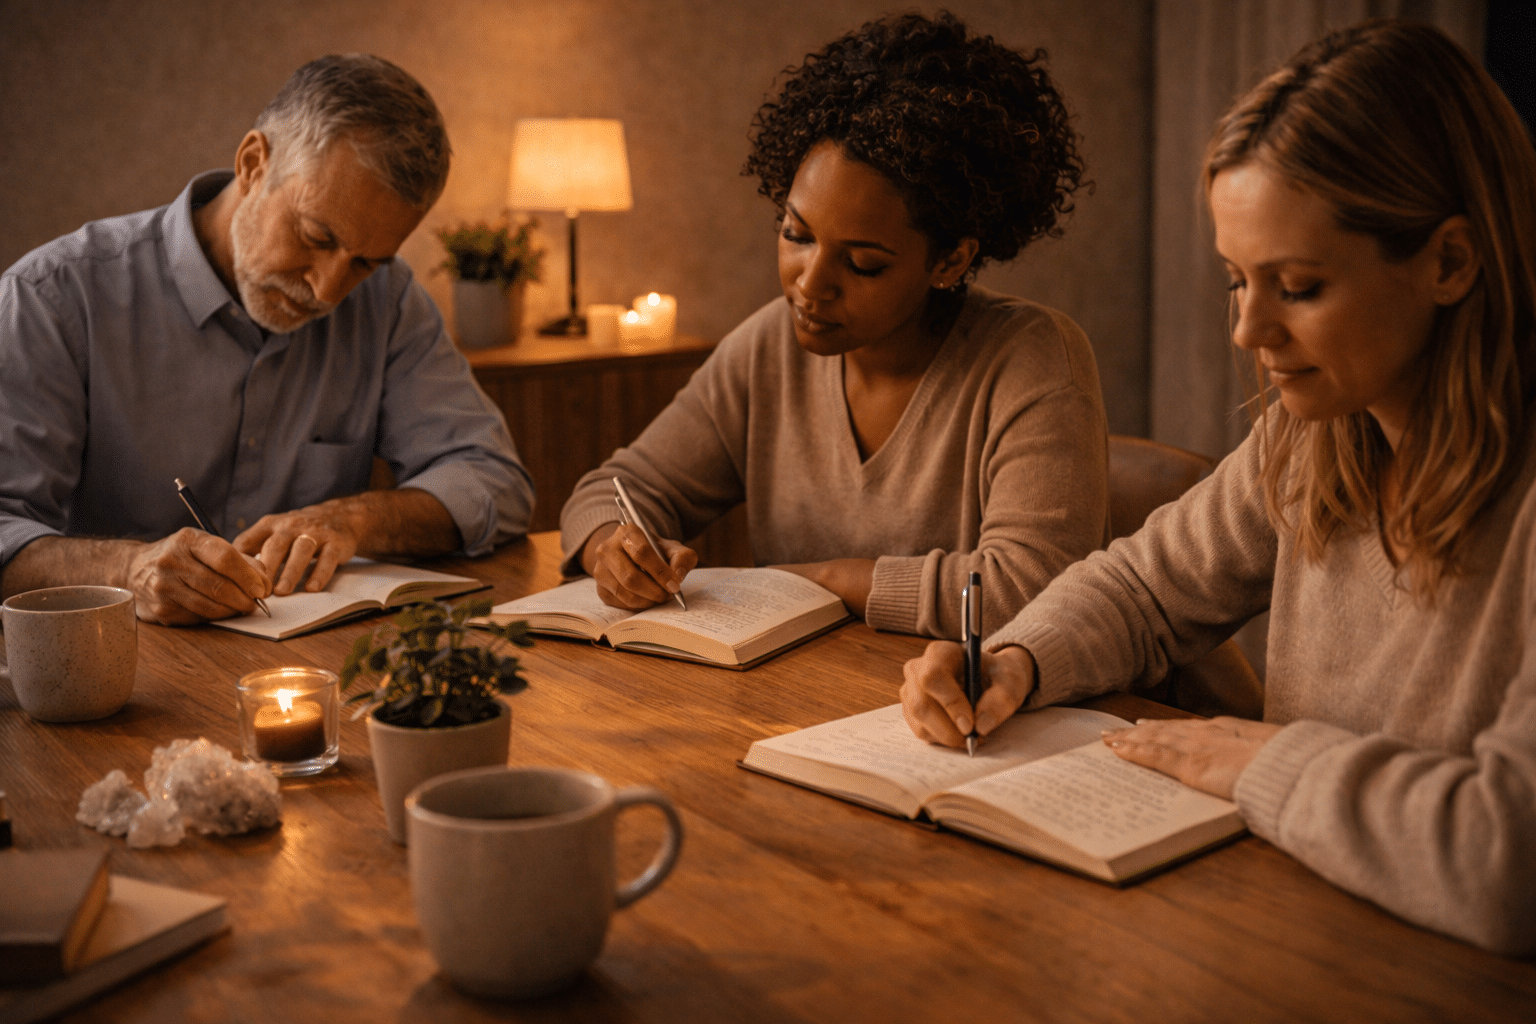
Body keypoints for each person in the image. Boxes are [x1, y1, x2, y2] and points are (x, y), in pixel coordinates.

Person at [900, 20, 1536, 954]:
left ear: (1449, 262)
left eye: (1298, 287)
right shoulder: (1311, 439)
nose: (1247, 331)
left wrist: (1269, 765)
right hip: (1298, 924)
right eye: (1238, 281)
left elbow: (1509, 861)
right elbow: (1142, 591)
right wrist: (1016, 659)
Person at [560, 12, 1109, 639]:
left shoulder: (1034, 360)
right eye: (796, 234)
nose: (809, 284)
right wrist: (614, 547)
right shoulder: (768, 348)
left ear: (950, 260)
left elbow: (1030, 590)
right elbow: (612, 490)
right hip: (804, 690)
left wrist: (802, 582)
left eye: (862, 264)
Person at [0, 54, 533, 625]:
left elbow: (494, 481)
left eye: (365, 263)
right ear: (254, 163)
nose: (327, 291)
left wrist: (355, 519)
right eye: (315, 237)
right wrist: (126, 569)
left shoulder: (389, 300)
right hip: (111, 662)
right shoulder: (54, 297)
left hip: (318, 662)